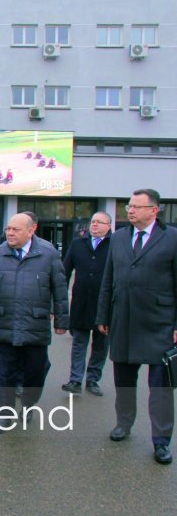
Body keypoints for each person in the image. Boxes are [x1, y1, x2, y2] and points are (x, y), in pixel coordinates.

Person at [96, 188, 177, 465]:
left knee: (161, 388)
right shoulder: (119, 237)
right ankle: (124, 423)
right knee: (124, 382)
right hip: (123, 320)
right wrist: (103, 315)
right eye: (129, 206)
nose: (130, 210)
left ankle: (161, 441)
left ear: (154, 210)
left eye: (136, 207)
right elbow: (108, 279)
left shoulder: (172, 238)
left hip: (159, 323)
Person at [0, 212, 69, 434]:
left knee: (35, 372)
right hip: (5, 322)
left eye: (15, 229)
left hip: (35, 324)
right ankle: (5, 414)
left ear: (31, 230)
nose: (10, 233)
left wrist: (61, 319)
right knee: (5, 373)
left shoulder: (48, 253)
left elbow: (60, 289)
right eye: (8, 229)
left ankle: (29, 404)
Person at [61, 212, 112, 397]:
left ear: (109, 226)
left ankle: (93, 379)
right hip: (81, 302)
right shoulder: (78, 244)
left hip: (104, 305)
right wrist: (59, 300)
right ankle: (75, 380)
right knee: (79, 343)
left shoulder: (114, 245)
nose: (95, 225)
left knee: (100, 345)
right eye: (93, 222)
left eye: (100, 222)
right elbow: (65, 272)